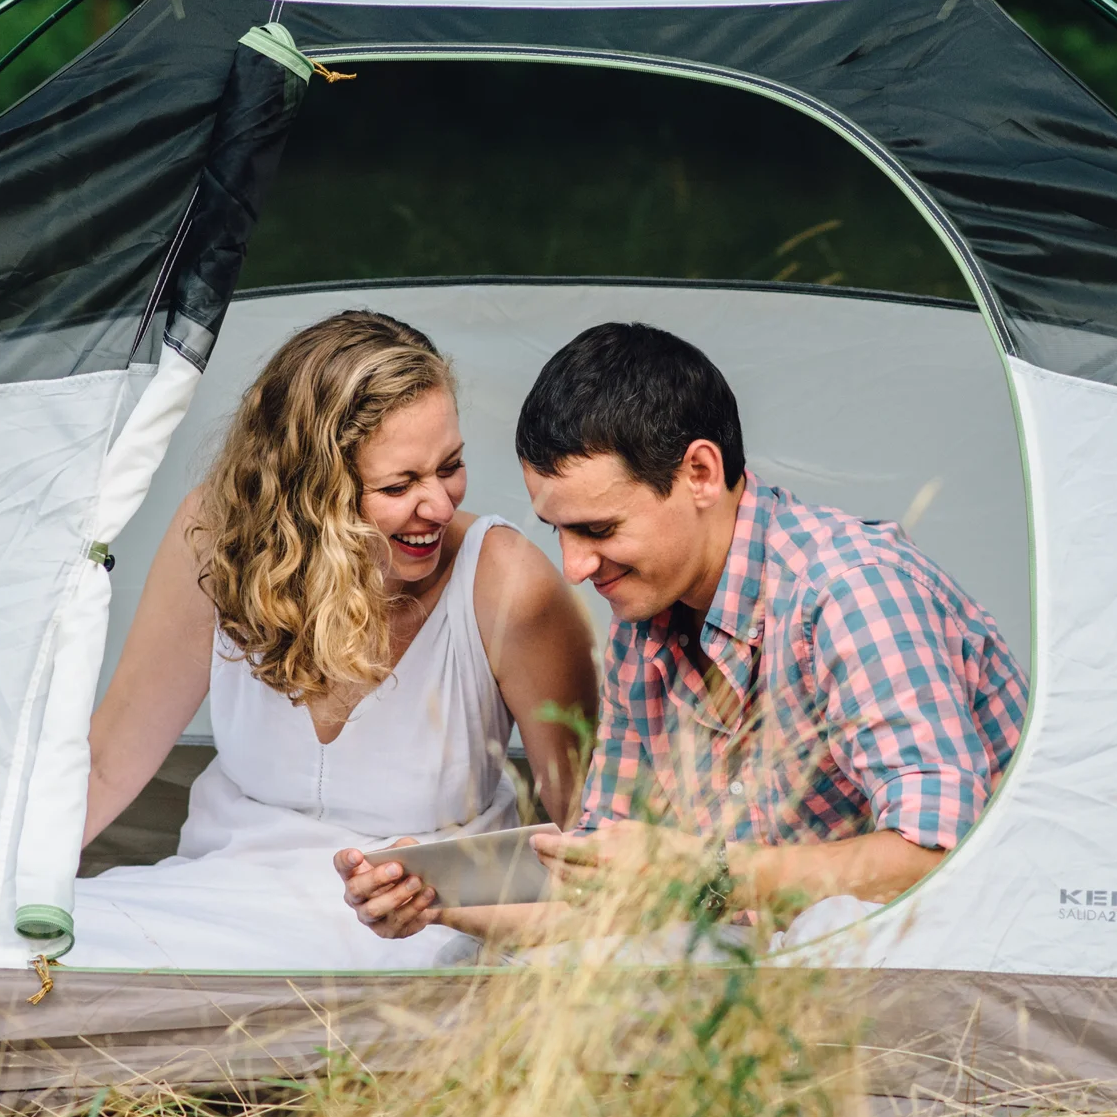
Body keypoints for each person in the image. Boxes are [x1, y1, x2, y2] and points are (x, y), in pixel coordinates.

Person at [340, 321, 1025, 948]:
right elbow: (601, 897)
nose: (574, 568)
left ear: (700, 473)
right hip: (772, 969)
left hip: (973, 956)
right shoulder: (645, 627)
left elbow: (941, 857)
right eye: (559, 532)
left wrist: (710, 874)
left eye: (598, 529)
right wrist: (436, 899)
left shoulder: (851, 594)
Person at [73, 310, 596, 969]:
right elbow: (106, 763)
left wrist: (461, 896)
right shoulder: (218, 536)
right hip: (216, 905)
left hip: (428, 928)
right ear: (309, 493)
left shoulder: (506, 583)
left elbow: (590, 834)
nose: (439, 505)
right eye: (399, 485)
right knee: (44, 945)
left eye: (451, 466)